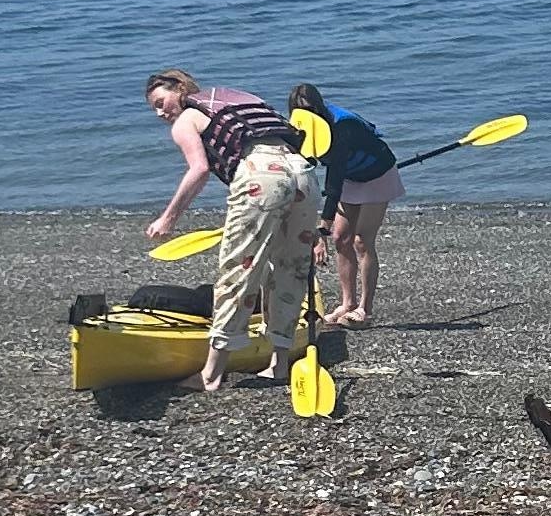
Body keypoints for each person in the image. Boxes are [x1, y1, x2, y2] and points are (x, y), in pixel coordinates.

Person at [142, 66, 321, 392]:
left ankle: (211, 373)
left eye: (160, 101)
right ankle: (279, 365)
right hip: (304, 174)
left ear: (180, 90)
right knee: (291, 269)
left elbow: (199, 169)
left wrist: (168, 218)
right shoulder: (235, 99)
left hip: (261, 175)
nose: (159, 112)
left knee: (239, 272)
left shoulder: (186, 118)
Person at [287, 84, 402, 329]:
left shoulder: (342, 128)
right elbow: (305, 169)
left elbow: (334, 183)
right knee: (341, 238)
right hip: (351, 177)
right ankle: (347, 303)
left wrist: (322, 230)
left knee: (361, 240)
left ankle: (364, 309)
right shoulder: (301, 128)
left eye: (311, 110)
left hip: (377, 175)